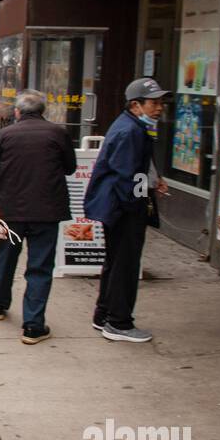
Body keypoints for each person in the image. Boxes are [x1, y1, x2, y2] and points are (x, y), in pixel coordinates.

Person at [0, 90, 78, 344]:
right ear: (43, 111)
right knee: (39, 266)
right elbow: (70, 167)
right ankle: (33, 325)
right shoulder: (57, 133)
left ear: (17, 112)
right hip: (46, 212)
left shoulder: (4, 135)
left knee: (6, 258)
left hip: (11, 210)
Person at [84, 78, 171, 343]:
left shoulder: (131, 126)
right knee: (125, 264)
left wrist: (153, 180)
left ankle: (104, 315)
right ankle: (119, 323)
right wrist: (137, 207)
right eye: (153, 103)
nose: (159, 108)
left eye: (160, 103)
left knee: (115, 262)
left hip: (117, 206)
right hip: (123, 208)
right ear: (136, 105)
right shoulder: (130, 131)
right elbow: (127, 176)